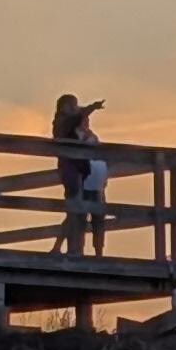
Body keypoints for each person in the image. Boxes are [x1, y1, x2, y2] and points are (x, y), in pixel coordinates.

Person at [52, 91, 107, 256]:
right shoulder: (62, 123)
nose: (76, 108)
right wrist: (92, 107)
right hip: (73, 174)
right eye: (73, 105)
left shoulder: (84, 132)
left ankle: (96, 253)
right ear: (64, 107)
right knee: (76, 213)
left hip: (90, 177)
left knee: (93, 214)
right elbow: (77, 116)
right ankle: (71, 250)